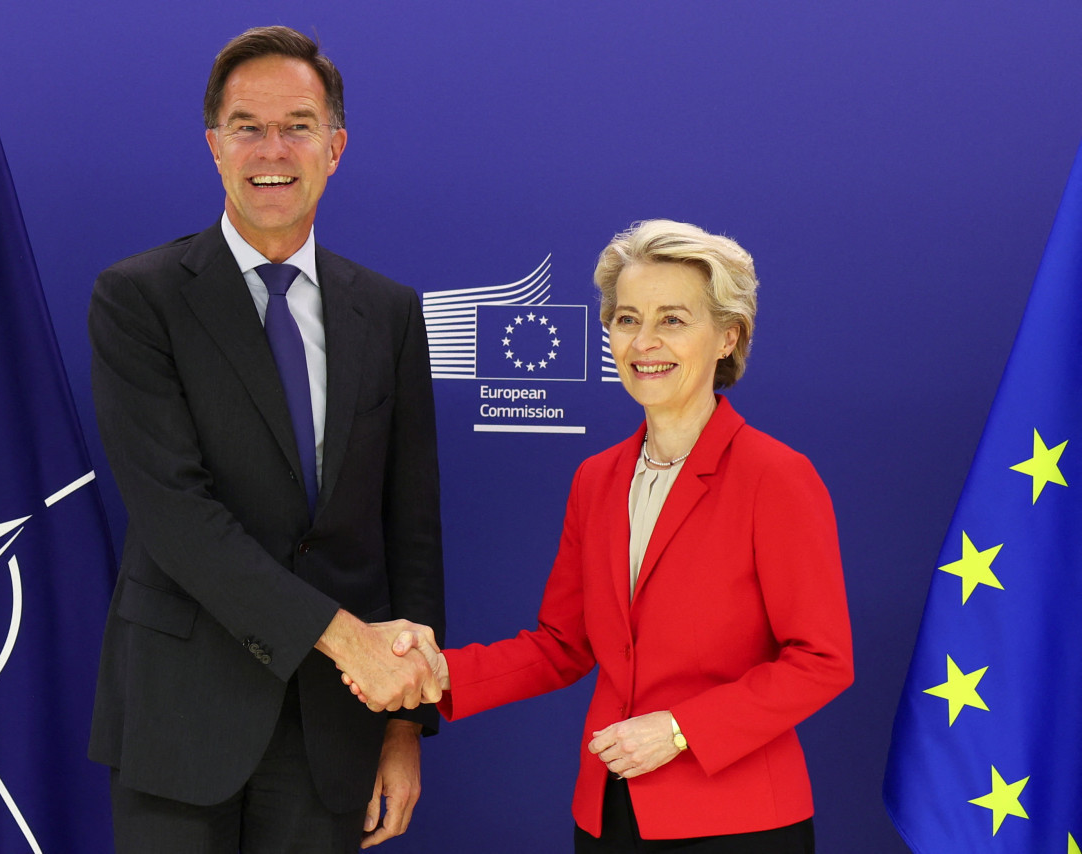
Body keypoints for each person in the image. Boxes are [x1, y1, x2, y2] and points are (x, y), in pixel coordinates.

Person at [359, 220, 854, 852]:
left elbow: (822, 660)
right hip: (607, 815)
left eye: (672, 320)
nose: (643, 341)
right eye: (626, 319)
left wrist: (679, 729)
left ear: (729, 336)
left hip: (737, 821)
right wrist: (439, 674)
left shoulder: (776, 476)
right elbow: (562, 646)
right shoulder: (598, 480)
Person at [87, 26, 445, 853]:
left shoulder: (388, 313)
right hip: (182, 718)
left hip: (336, 728)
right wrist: (349, 638)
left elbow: (410, 532)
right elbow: (177, 516)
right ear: (214, 145)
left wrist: (405, 725)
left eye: (298, 125)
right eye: (247, 126)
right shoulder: (138, 300)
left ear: (335, 146)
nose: (271, 149)